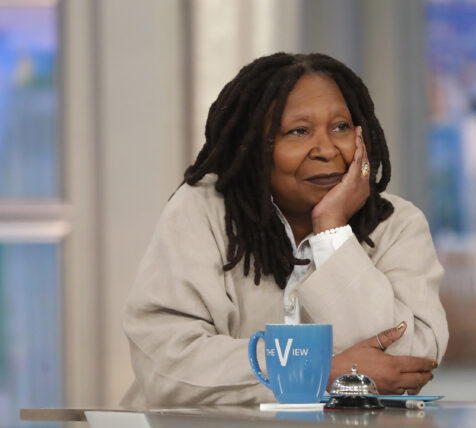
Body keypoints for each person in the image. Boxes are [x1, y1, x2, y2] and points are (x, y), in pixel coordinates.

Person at [121, 52, 448, 408]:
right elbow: (169, 364)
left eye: (340, 127)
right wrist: (321, 372)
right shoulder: (202, 210)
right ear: (255, 148)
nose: (326, 149)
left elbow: (406, 361)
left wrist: (333, 234)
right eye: (299, 131)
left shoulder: (398, 225)